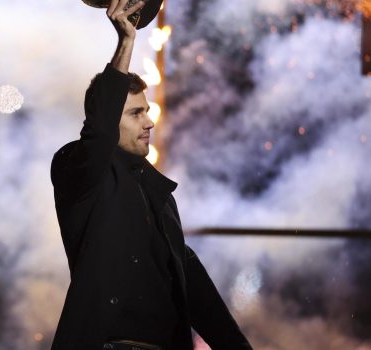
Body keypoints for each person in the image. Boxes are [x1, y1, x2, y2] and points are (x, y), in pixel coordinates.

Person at [49, 1, 253, 349]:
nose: (149, 121)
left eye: (147, 111)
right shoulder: (77, 170)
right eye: (135, 113)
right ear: (110, 116)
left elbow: (196, 289)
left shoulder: (160, 196)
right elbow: (98, 132)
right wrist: (126, 42)